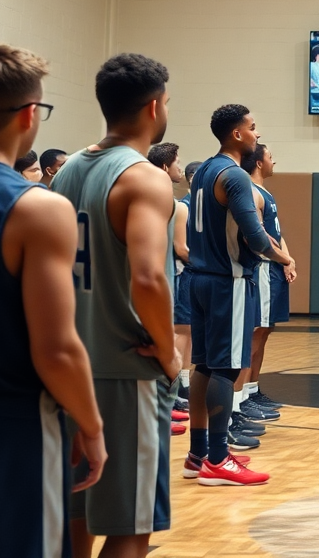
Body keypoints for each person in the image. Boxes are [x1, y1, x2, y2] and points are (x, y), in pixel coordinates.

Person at [0, 43, 106, 558]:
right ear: (29, 115)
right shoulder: (36, 208)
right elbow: (57, 349)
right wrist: (91, 424)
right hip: (5, 425)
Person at [52, 54, 180, 558]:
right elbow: (148, 278)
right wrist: (169, 353)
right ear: (153, 107)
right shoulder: (145, 178)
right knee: (131, 527)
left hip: (69, 364)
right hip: (126, 369)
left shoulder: (65, 175)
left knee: (78, 513)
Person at [185, 104, 292, 486]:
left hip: (197, 278)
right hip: (226, 280)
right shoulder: (234, 177)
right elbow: (257, 236)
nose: (257, 134)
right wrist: (284, 257)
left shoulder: (204, 172)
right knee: (227, 368)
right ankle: (217, 458)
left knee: (203, 366)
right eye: (252, 127)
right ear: (237, 134)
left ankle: (198, 454)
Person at [241, 143, 296, 408]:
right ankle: (244, 395)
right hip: (261, 268)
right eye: (271, 157)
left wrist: (288, 259)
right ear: (260, 163)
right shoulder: (252, 193)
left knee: (265, 330)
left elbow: (276, 234)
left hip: (274, 267)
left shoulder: (266, 192)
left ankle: (253, 388)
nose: (275, 162)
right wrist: (282, 258)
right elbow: (259, 236)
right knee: (256, 332)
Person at [146, 141, 190, 433]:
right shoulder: (163, 201)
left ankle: (168, 400)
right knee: (169, 335)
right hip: (161, 277)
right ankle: (164, 399)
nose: (179, 167)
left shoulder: (167, 201)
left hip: (165, 276)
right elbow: (179, 247)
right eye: (176, 162)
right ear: (165, 166)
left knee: (177, 332)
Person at [173, 160, 202, 401]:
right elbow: (181, 248)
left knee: (194, 330)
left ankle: (187, 378)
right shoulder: (184, 206)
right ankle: (179, 383)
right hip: (188, 273)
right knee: (183, 329)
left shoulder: (209, 205)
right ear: (192, 178)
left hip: (203, 274)